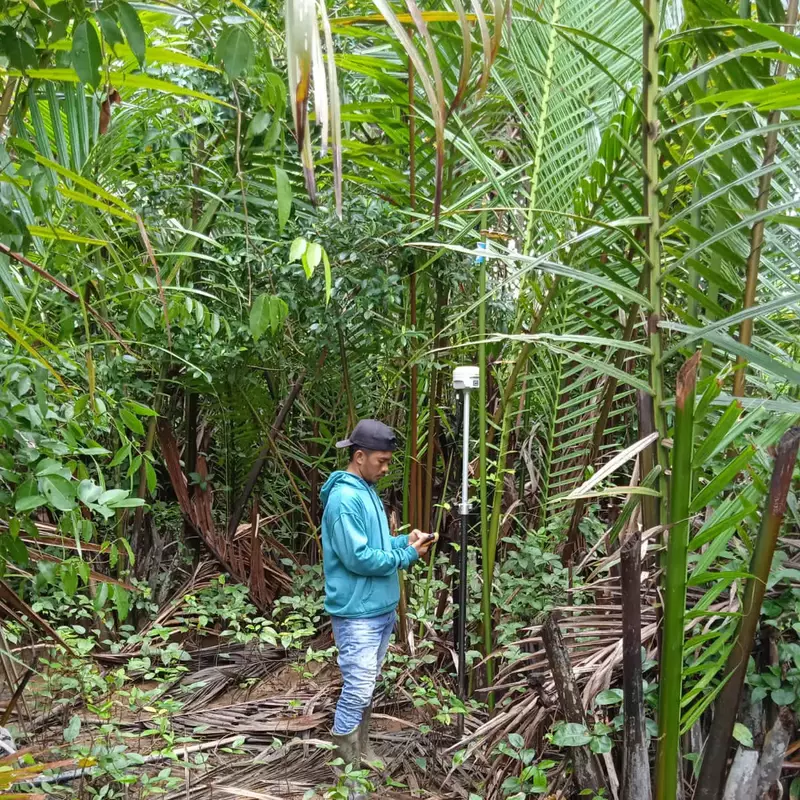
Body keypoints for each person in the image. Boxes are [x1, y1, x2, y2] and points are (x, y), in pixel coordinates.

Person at [320, 419, 433, 783]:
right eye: (382, 461)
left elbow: (376, 545)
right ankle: (347, 776)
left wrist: (405, 541)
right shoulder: (344, 499)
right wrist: (408, 557)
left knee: (366, 686)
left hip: (378, 611)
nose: (386, 469)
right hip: (358, 615)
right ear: (359, 456)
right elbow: (357, 558)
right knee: (358, 688)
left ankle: (362, 752)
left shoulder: (365, 490)